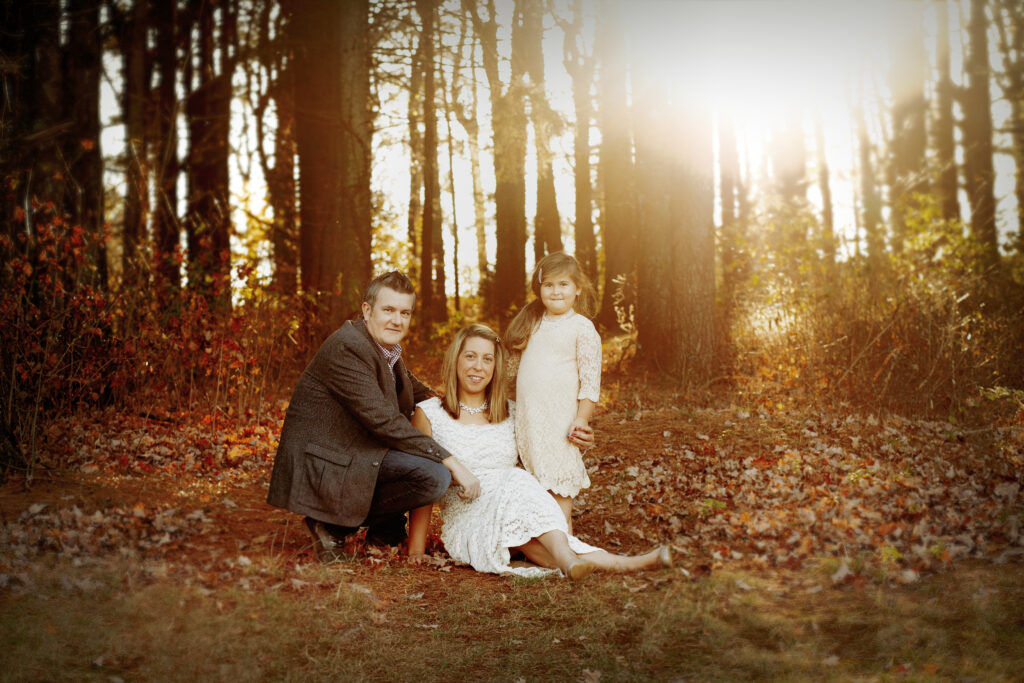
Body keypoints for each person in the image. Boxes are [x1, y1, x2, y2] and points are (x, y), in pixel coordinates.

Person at [407, 324, 670, 579]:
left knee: (518, 493)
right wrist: (416, 549)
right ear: (455, 360)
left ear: (495, 367)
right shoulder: (428, 414)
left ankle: (582, 561)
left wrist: (579, 438)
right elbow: (423, 482)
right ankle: (590, 560)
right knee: (516, 482)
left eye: (488, 359)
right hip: (469, 521)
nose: (478, 366)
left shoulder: (512, 412)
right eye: (470, 356)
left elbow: (546, 452)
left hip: (517, 510)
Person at [266, 271, 481, 562]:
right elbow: (384, 421)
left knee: (419, 461)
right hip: (328, 460)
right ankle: (330, 523)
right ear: (367, 310)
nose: (397, 320)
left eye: (405, 312)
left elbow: (415, 390)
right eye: (388, 310)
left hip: (356, 449)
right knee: (435, 476)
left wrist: (460, 408)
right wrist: (452, 461)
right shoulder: (348, 347)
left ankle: (383, 526)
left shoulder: (384, 348)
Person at [504, 252, 601, 534]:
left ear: (577, 288)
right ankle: (540, 543)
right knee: (534, 487)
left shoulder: (582, 328)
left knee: (559, 490)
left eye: (563, 284)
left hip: (561, 422)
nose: (556, 291)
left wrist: (582, 419)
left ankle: (565, 546)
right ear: (539, 289)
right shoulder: (531, 323)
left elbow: (590, 383)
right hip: (530, 418)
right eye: (548, 285)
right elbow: (511, 370)